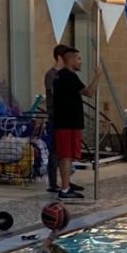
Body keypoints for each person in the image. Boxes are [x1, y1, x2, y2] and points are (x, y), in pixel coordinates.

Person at [52, 47, 100, 200]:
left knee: (67, 156)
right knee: (66, 156)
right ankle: (65, 189)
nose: (80, 62)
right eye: (78, 59)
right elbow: (89, 92)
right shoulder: (68, 76)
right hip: (67, 123)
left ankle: (66, 185)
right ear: (70, 60)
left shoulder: (63, 76)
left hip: (67, 122)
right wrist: (98, 76)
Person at [44, 44, 82, 194]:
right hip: (57, 116)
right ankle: (54, 183)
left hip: (68, 118)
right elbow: (55, 94)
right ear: (61, 58)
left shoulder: (66, 75)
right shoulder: (53, 75)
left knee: (67, 152)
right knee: (58, 151)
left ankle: (66, 181)